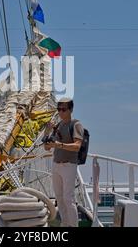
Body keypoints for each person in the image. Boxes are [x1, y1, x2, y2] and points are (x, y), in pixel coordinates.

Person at [44, 97, 84, 227]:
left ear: (71, 110)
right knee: (59, 198)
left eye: (64, 109)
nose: (61, 112)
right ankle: (65, 224)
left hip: (69, 164)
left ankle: (73, 225)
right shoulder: (59, 126)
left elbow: (77, 146)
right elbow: (47, 147)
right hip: (57, 164)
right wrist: (47, 131)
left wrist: (59, 145)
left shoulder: (76, 125)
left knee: (68, 199)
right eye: (59, 109)